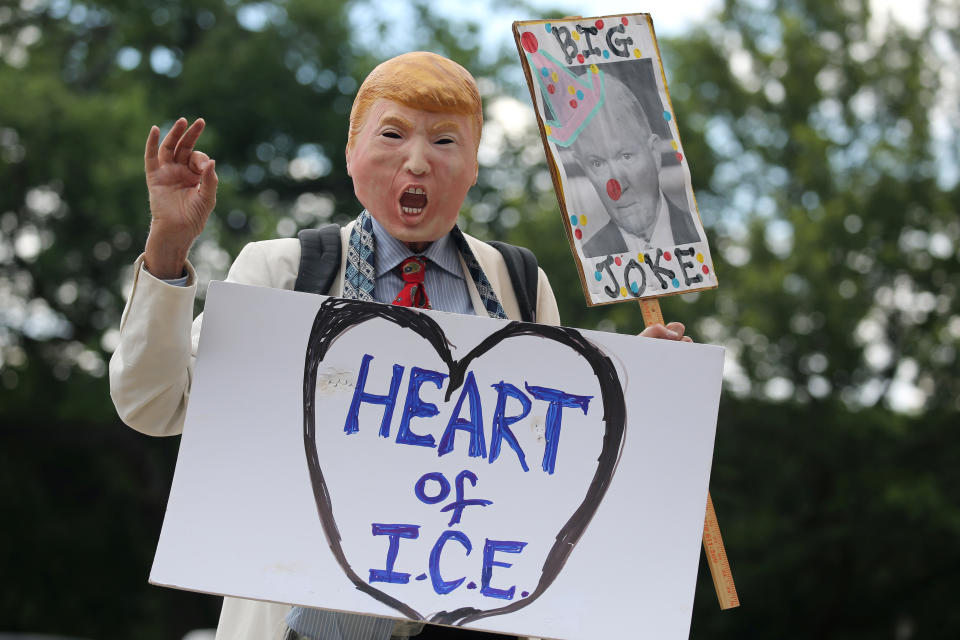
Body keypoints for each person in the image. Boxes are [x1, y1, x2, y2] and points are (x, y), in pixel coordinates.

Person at [109, 51, 692, 640]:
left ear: (473, 166)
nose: (417, 161)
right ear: (351, 151)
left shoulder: (518, 283)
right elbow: (154, 405)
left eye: (445, 142)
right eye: (392, 134)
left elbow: (548, 471)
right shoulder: (282, 273)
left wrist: (634, 386)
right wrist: (167, 249)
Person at [563, 74, 701, 259]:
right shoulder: (588, 258)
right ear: (583, 168)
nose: (617, 186)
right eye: (597, 163)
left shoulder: (700, 232)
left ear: (654, 153)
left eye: (626, 156)